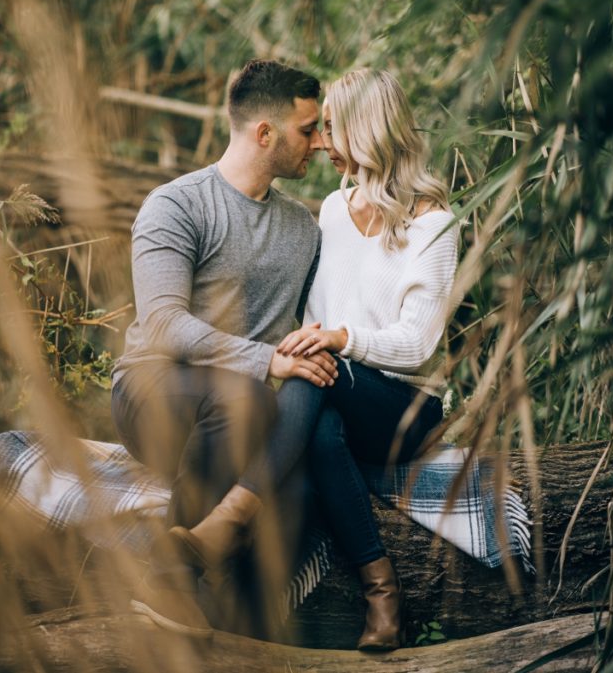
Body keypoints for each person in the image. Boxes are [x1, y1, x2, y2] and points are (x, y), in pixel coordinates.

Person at [183, 68, 458, 650]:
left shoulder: (433, 222)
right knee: (322, 414)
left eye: (332, 128)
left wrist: (339, 339)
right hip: (335, 394)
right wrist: (307, 343)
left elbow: (417, 346)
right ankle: (377, 593)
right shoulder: (334, 209)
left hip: (405, 409)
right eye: (321, 129)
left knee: (323, 378)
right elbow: (315, 316)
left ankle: (232, 519)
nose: (322, 143)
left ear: (368, 130)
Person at [110, 59, 338, 639]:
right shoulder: (177, 205)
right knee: (244, 400)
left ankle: (247, 639)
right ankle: (168, 580)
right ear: (266, 134)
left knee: (299, 489)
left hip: (251, 412)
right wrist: (268, 361)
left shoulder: (303, 228)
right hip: (155, 393)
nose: (318, 142)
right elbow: (162, 324)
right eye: (308, 130)